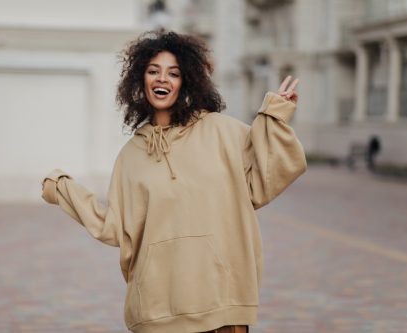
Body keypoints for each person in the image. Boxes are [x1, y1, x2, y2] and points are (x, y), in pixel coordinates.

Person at [41, 30, 307, 333]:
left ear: (187, 81)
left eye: (174, 73)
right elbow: (115, 227)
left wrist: (274, 117)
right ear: (140, 81)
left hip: (222, 304)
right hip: (157, 310)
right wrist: (63, 190)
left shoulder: (222, 132)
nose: (162, 79)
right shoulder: (131, 156)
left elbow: (269, 175)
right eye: (153, 71)